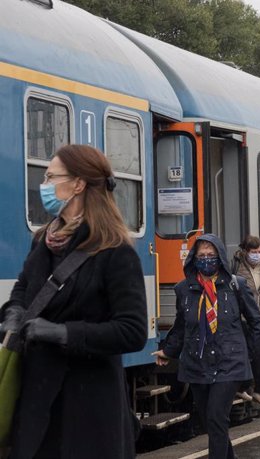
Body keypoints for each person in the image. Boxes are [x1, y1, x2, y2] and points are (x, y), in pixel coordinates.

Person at [0, 145, 147, 459]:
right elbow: (23, 291)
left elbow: (132, 330)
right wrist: (13, 314)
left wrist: (63, 334)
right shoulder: (43, 241)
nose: (45, 183)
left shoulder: (115, 250)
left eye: (52, 176)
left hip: (89, 412)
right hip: (37, 407)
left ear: (78, 184)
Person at [153, 234, 260, 459]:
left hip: (229, 363)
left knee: (215, 417)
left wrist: (249, 357)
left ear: (220, 257)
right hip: (197, 364)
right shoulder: (184, 290)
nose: (206, 260)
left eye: (211, 255)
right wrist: (168, 350)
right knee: (212, 423)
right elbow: (182, 325)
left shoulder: (236, 286)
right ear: (194, 259)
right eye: (201, 255)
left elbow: (255, 322)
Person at [232, 234, 260, 406]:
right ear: (245, 252)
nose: (257, 255)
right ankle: (257, 390)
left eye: (259, 251)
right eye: (253, 252)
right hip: (245, 319)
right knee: (257, 352)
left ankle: (245, 387)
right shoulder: (237, 266)